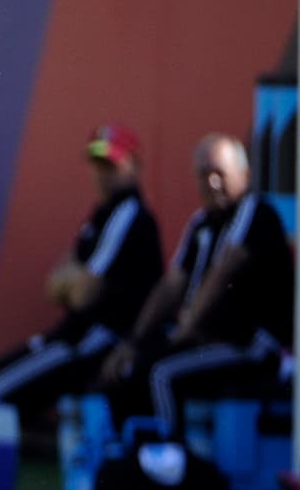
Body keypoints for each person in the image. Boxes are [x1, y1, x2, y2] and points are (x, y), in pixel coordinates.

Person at [0, 124, 163, 424]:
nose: (102, 174)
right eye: (97, 164)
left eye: (111, 165)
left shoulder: (129, 213)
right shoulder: (101, 214)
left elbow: (82, 294)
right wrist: (74, 281)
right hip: (69, 335)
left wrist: (74, 281)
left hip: (93, 341)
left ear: (133, 165)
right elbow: (53, 285)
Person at [99, 132, 294, 437]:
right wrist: (134, 341)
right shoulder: (201, 223)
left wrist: (185, 332)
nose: (212, 183)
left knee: (162, 374)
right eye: (204, 174)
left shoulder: (254, 211)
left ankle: (169, 457)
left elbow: (224, 271)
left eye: (219, 173)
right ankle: (132, 454)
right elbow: (172, 284)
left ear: (244, 175)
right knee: (127, 368)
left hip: (252, 346)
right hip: (209, 342)